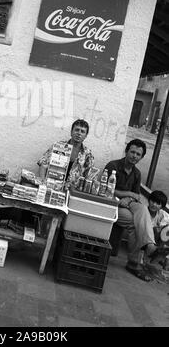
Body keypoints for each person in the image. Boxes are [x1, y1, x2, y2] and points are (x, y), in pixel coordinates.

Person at [105, 139, 159, 281]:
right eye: (132, 152)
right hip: (112, 203)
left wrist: (128, 199)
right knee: (135, 224)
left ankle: (150, 245)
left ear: (141, 157)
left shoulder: (137, 173)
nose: (134, 156)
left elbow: (136, 197)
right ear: (127, 151)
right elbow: (106, 189)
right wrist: (128, 194)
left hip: (128, 204)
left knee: (142, 209)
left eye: (138, 154)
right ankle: (134, 262)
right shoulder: (113, 165)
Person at [37, 119, 94, 187]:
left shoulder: (87, 154)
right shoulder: (59, 146)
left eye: (82, 131)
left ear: (85, 136)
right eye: (77, 130)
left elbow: (89, 177)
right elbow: (43, 164)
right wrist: (42, 182)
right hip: (52, 185)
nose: (79, 133)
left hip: (72, 190)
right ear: (71, 132)